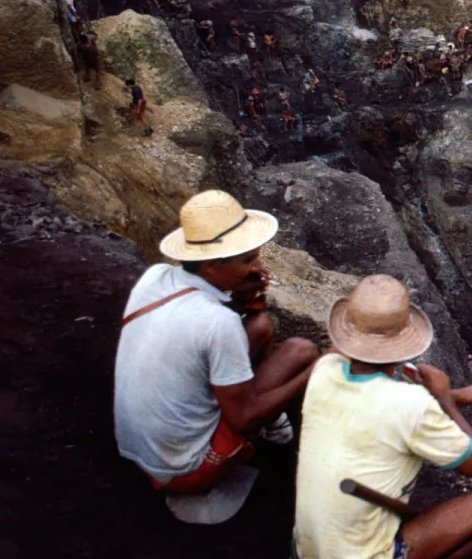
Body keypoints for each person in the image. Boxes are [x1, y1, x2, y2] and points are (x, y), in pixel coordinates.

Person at [293, 275, 472, 559]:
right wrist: (442, 396)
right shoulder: (412, 404)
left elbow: (374, 396)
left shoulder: (326, 369)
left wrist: (455, 395)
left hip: (308, 553)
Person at [113, 190, 320, 511]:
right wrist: (315, 372)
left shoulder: (156, 277)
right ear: (210, 265)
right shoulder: (218, 323)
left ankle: (273, 421)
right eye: (248, 260)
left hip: (142, 450)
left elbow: (201, 327)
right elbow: (242, 420)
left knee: (260, 327)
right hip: (182, 470)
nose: (258, 268)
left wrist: (245, 302)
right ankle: (267, 435)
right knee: (303, 353)